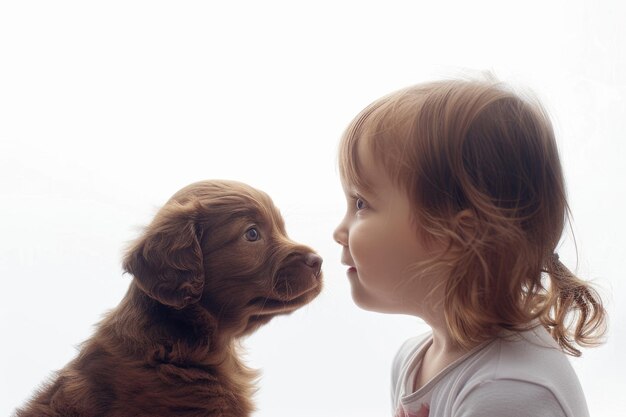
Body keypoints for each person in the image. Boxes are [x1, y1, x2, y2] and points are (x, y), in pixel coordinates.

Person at [333, 76, 607, 417]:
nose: (339, 231)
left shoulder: (507, 393)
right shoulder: (414, 361)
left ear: (457, 236)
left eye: (361, 204)